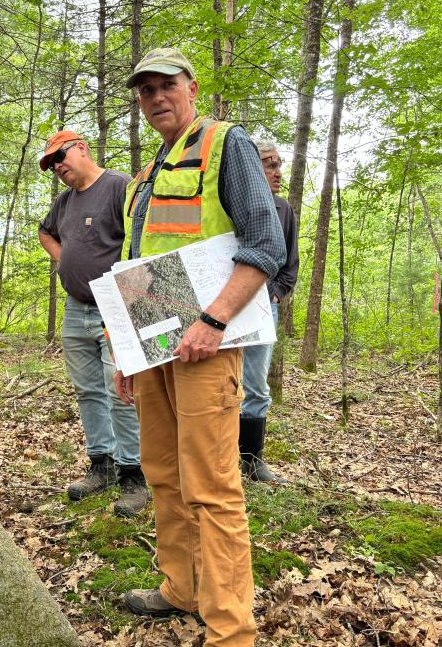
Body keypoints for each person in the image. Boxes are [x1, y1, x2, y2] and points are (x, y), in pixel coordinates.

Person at [113, 48, 285, 646]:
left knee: (212, 485)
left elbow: (266, 243)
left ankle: (232, 629)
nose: (157, 97)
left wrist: (213, 320)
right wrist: (126, 351)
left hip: (208, 346)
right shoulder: (146, 173)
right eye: (146, 90)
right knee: (162, 472)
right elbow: (138, 269)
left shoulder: (224, 144)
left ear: (191, 88)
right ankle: (180, 589)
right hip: (155, 346)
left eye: (167, 85)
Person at [38, 131, 150, 518]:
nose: (57, 167)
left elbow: (142, 241)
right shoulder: (65, 201)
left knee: (120, 389)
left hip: (116, 305)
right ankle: (100, 464)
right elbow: (44, 231)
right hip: (75, 308)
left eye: (60, 156)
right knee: (88, 390)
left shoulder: (120, 186)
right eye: (51, 164)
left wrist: (131, 298)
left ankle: (133, 473)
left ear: (82, 148)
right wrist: (65, 256)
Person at [240, 141, 299, 484]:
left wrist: (274, 296)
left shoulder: (282, 210)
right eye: (269, 164)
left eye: (279, 164)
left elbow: (289, 265)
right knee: (219, 384)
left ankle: (252, 460)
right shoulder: (230, 207)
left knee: (256, 386)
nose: (278, 172)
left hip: (263, 307)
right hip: (222, 310)